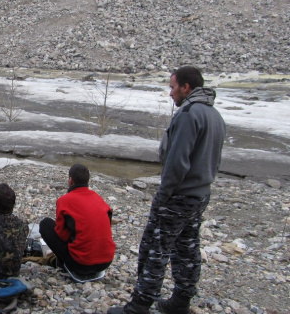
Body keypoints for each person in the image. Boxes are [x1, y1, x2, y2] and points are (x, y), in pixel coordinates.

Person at [108, 66, 226, 314]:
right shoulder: (214, 115)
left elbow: (177, 161)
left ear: (186, 87)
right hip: (200, 194)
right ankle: (181, 301)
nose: (170, 93)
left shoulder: (188, 114)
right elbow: (214, 159)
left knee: (155, 248)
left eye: (172, 87)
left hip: (179, 196)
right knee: (187, 247)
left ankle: (139, 305)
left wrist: (163, 195)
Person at [39, 164, 115, 282]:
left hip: (80, 264)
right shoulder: (99, 199)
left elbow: (62, 235)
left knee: (45, 224)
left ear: (70, 180)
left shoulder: (65, 200)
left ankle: (63, 264)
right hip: (106, 262)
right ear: (87, 180)